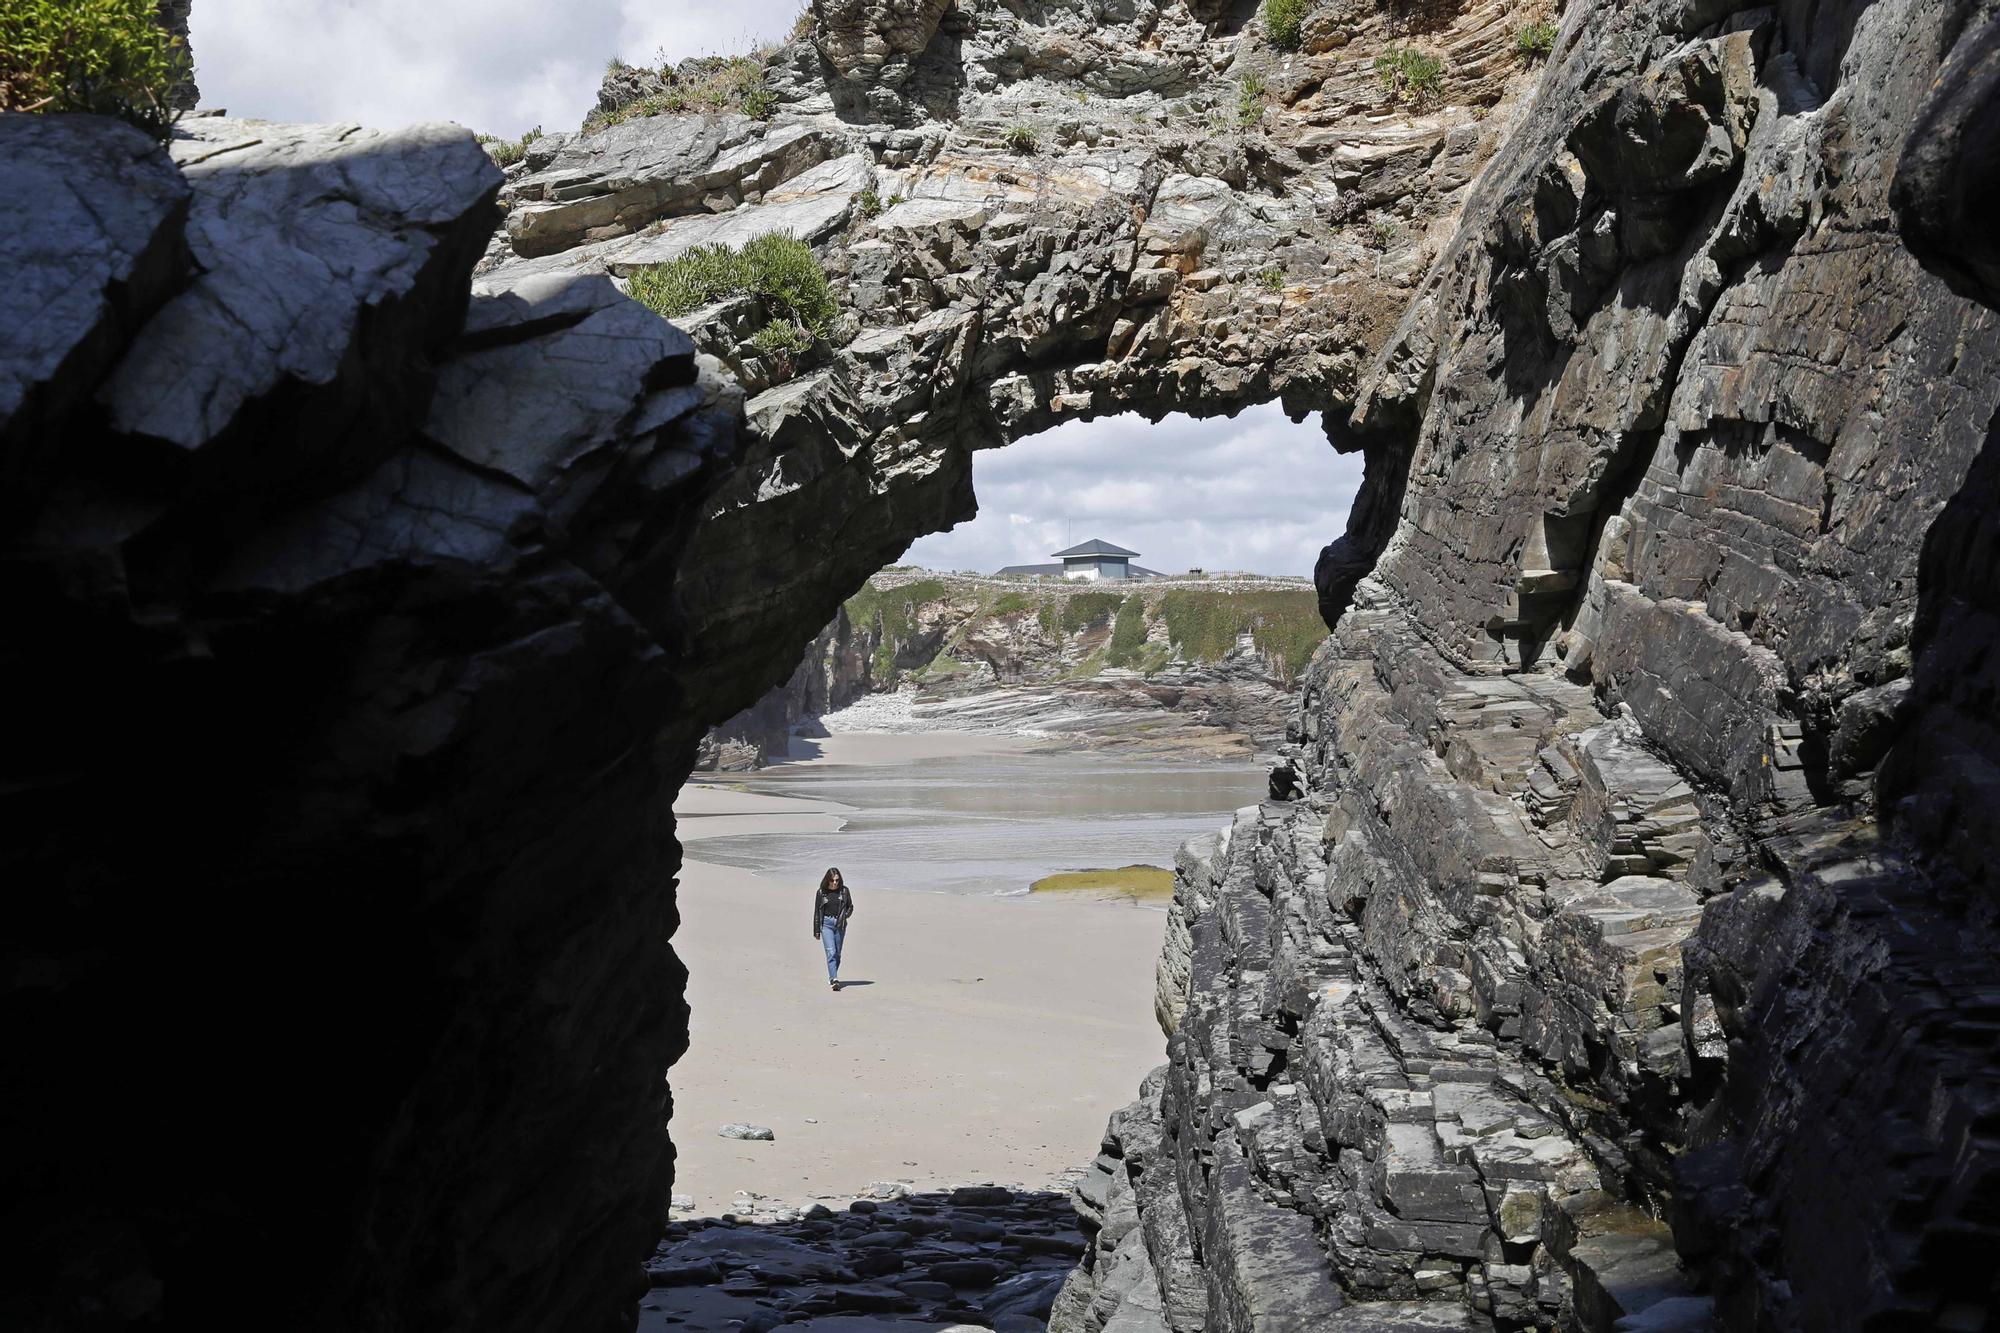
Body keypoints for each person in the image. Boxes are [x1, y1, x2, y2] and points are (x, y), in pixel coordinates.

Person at [812, 867, 855, 992]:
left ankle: (832, 975)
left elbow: (850, 907)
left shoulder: (844, 891)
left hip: (840, 925)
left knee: (837, 954)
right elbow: (816, 912)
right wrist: (816, 930)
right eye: (832, 880)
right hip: (826, 924)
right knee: (830, 952)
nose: (835, 883)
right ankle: (834, 979)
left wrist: (845, 916)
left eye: (837, 880)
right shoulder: (821, 892)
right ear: (827, 880)